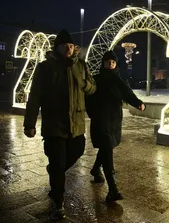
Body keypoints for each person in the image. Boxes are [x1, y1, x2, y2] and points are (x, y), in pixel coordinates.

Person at [23, 29, 96, 220]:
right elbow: (35, 97)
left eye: (71, 46)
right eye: (65, 46)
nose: (69, 49)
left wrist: (84, 84)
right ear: (57, 48)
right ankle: (57, 201)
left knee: (77, 151)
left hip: (76, 124)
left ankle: (54, 171)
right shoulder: (45, 67)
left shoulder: (81, 65)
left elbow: (92, 87)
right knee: (58, 163)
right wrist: (29, 124)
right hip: (54, 124)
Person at [85, 50, 145, 204]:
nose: (110, 64)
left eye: (113, 62)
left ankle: (95, 169)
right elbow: (88, 99)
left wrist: (138, 103)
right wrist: (93, 114)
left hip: (114, 122)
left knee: (107, 147)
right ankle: (113, 189)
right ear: (103, 63)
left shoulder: (118, 80)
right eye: (108, 62)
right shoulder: (96, 80)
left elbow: (128, 94)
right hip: (101, 121)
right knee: (107, 150)